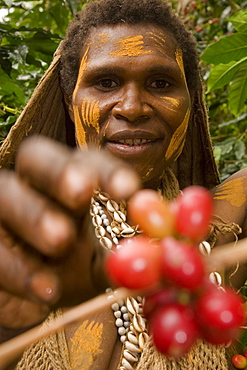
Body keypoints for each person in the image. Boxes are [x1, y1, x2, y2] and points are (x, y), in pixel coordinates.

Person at [0, 0, 246, 368]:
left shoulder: (218, 232)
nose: (132, 107)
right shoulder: (19, 246)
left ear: (191, 105)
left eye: (161, 83)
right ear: (69, 104)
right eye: (106, 82)